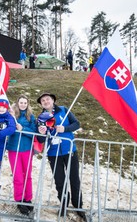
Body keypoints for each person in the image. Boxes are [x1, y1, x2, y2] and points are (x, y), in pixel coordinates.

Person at [36, 93, 87, 221]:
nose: (46, 101)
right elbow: (40, 139)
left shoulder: (64, 110)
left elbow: (77, 124)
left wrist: (65, 128)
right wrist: (41, 133)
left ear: (53, 100)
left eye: (48, 99)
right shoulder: (41, 117)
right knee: (60, 181)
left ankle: (78, 205)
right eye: (43, 100)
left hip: (69, 150)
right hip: (54, 153)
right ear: (41, 104)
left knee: (74, 179)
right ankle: (64, 204)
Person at [6, 94, 37, 215]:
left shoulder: (31, 117)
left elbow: (34, 132)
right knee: (18, 176)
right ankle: (19, 199)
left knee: (27, 175)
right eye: (21, 102)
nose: (23, 104)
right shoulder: (12, 115)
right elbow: (7, 128)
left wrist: (22, 128)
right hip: (14, 149)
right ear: (18, 103)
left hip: (26, 149)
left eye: (25, 103)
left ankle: (28, 198)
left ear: (27, 104)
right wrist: (12, 121)